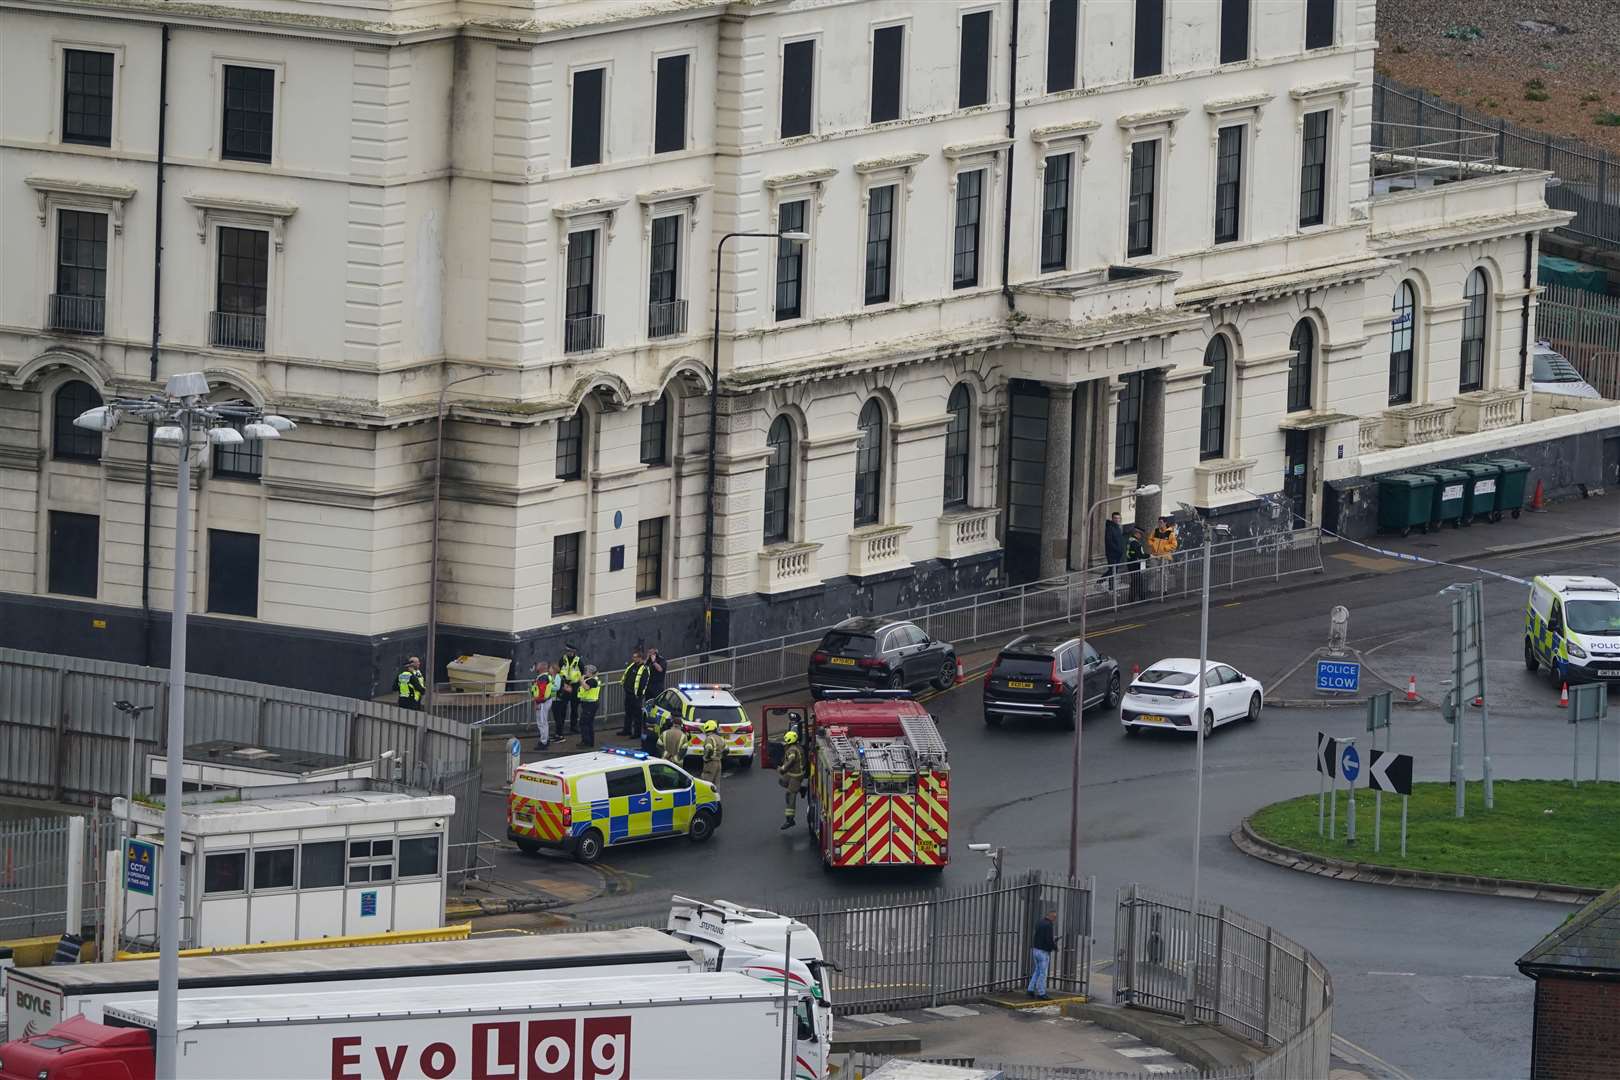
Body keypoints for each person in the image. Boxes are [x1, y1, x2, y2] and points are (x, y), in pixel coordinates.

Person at [777, 730, 806, 830]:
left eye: (786, 740)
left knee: (790, 794)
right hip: (791, 774)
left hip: (796, 776)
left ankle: (790, 819)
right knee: (782, 781)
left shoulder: (792, 750)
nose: (784, 742)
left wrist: (783, 769)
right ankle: (801, 789)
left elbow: (791, 759)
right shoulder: (796, 746)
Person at [1027, 909, 1058, 1000]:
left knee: (1037, 971)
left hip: (1035, 950)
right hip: (1043, 952)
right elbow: (1048, 939)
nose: (1054, 919)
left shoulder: (1039, 922)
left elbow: (1040, 936)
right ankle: (1041, 993)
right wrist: (1054, 947)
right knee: (1043, 973)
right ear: (1051, 916)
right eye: (1054, 917)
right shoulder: (1049, 925)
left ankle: (1030, 989)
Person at [620, 649, 649, 740]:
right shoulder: (632, 666)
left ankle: (637, 733)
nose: (633, 658)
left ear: (640, 658)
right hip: (628, 693)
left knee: (637, 715)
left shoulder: (644, 668)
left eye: (635, 657)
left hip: (636, 696)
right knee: (628, 713)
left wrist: (639, 694)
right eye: (633, 657)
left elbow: (643, 683)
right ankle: (626, 730)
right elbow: (627, 677)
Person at [556, 644, 583, 736]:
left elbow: (582, 673)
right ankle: (561, 727)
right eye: (567, 651)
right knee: (563, 707)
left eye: (570, 651)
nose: (568, 653)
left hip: (575, 686)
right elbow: (559, 670)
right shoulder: (562, 659)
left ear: (574, 652)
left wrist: (578, 681)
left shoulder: (578, 661)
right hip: (565, 685)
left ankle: (573, 726)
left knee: (574, 708)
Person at [530, 662, 558, 750]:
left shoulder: (543, 678)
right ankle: (545, 739)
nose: (536, 667)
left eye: (538, 666)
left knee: (542, 722)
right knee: (543, 722)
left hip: (542, 702)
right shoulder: (545, 677)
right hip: (545, 701)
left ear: (542, 668)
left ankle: (543, 742)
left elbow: (541, 692)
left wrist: (537, 702)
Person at [576, 664, 602, 748]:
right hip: (589, 704)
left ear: (590, 672)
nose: (585, 672)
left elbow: (587, 688)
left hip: (590, 704)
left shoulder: (592, 680)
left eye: (586, 671)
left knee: (584, 723)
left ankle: (586, 742)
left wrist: (582, 681)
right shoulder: (593, 679)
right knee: (589, 723)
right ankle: (590, 742)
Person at [1125, 526, 1149, 603]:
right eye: (1140, 534)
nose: (1141, 536)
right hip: (1135, 565)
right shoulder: (1135, 543)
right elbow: (1139, 555)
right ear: (1136, 534)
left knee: (1136, 582)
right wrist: (1148, 556)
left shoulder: (1130, 540)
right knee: (1137, 582)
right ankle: (1137, 599)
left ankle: (1137, 598)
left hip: (1132, 564)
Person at [699, 719, 725, 787]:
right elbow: (727, 750)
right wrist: (720, 756)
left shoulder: (709, 738)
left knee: (706, 783)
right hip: (719, 763)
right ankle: (716, 797)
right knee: (716, 784)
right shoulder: (720, 738)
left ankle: (707, 797)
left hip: (710, 763)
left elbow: (709, 748)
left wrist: (706, 758)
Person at [1103, 511, 1125, 587]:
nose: (1117, 520)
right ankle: (1110, 586)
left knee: (1113, 570)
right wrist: (1117, 550)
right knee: (1112, 570)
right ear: (1112, 519)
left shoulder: (1118, 527)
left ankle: (1101, 580)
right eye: (1115, 518)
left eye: (1118, 518)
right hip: (1112, 553)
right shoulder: (1110, 528)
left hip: (1118, 553)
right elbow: (1109, 542)